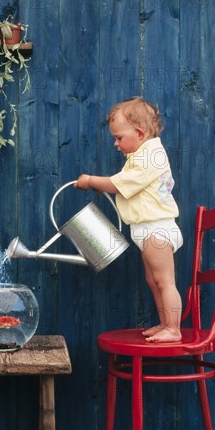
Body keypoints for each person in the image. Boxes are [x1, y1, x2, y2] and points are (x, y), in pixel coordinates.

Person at [74, 97, 183, 342]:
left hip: (157, 229)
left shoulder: (150, 157)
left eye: (119, 138)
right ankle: (166, 323)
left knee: (164, 280)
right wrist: (108, 187)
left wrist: (92, 181)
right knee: (152, 280)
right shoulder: (141, 156)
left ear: (140, 133)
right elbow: (127, 186)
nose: (116, 143)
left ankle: (173, 328)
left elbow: (120, 184)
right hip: (146, 230)